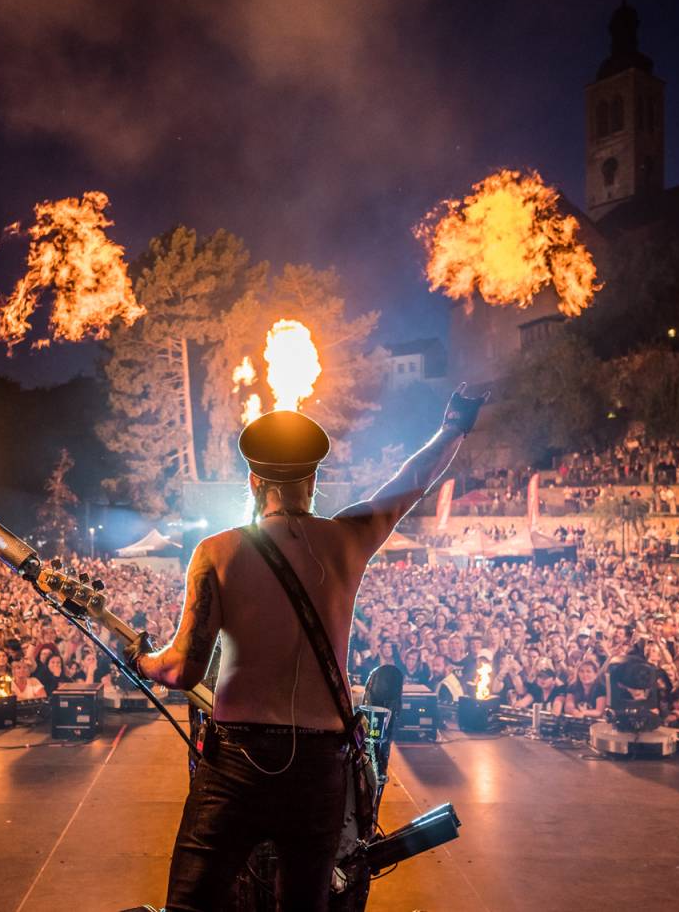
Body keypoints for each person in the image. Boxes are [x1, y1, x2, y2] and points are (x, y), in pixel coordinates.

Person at [131, 387, 484, 912]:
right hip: (320, 765)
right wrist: (453, 426)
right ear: (314, 480)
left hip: (237, 763)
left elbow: (182, 670)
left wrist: (141, 658)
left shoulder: (217, 553)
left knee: (192, 905)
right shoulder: (348, 540)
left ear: (253, 481)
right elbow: (411, 483)